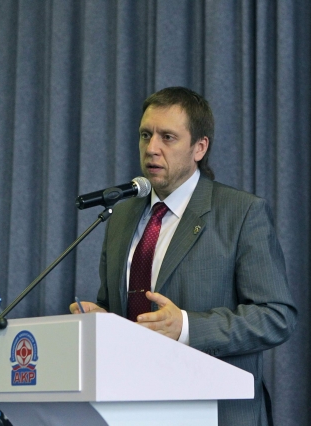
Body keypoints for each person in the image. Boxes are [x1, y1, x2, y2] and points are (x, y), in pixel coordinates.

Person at [70, 86, 297, 426]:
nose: (152, 148)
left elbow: (276, 317)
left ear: (199, 148)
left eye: (168, 137)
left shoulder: (241, 213)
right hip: (130, 408)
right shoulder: (122, 217)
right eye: (145, 135)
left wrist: (187, 327)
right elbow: (123, 315)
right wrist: (104, 321)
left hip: (214, 412)